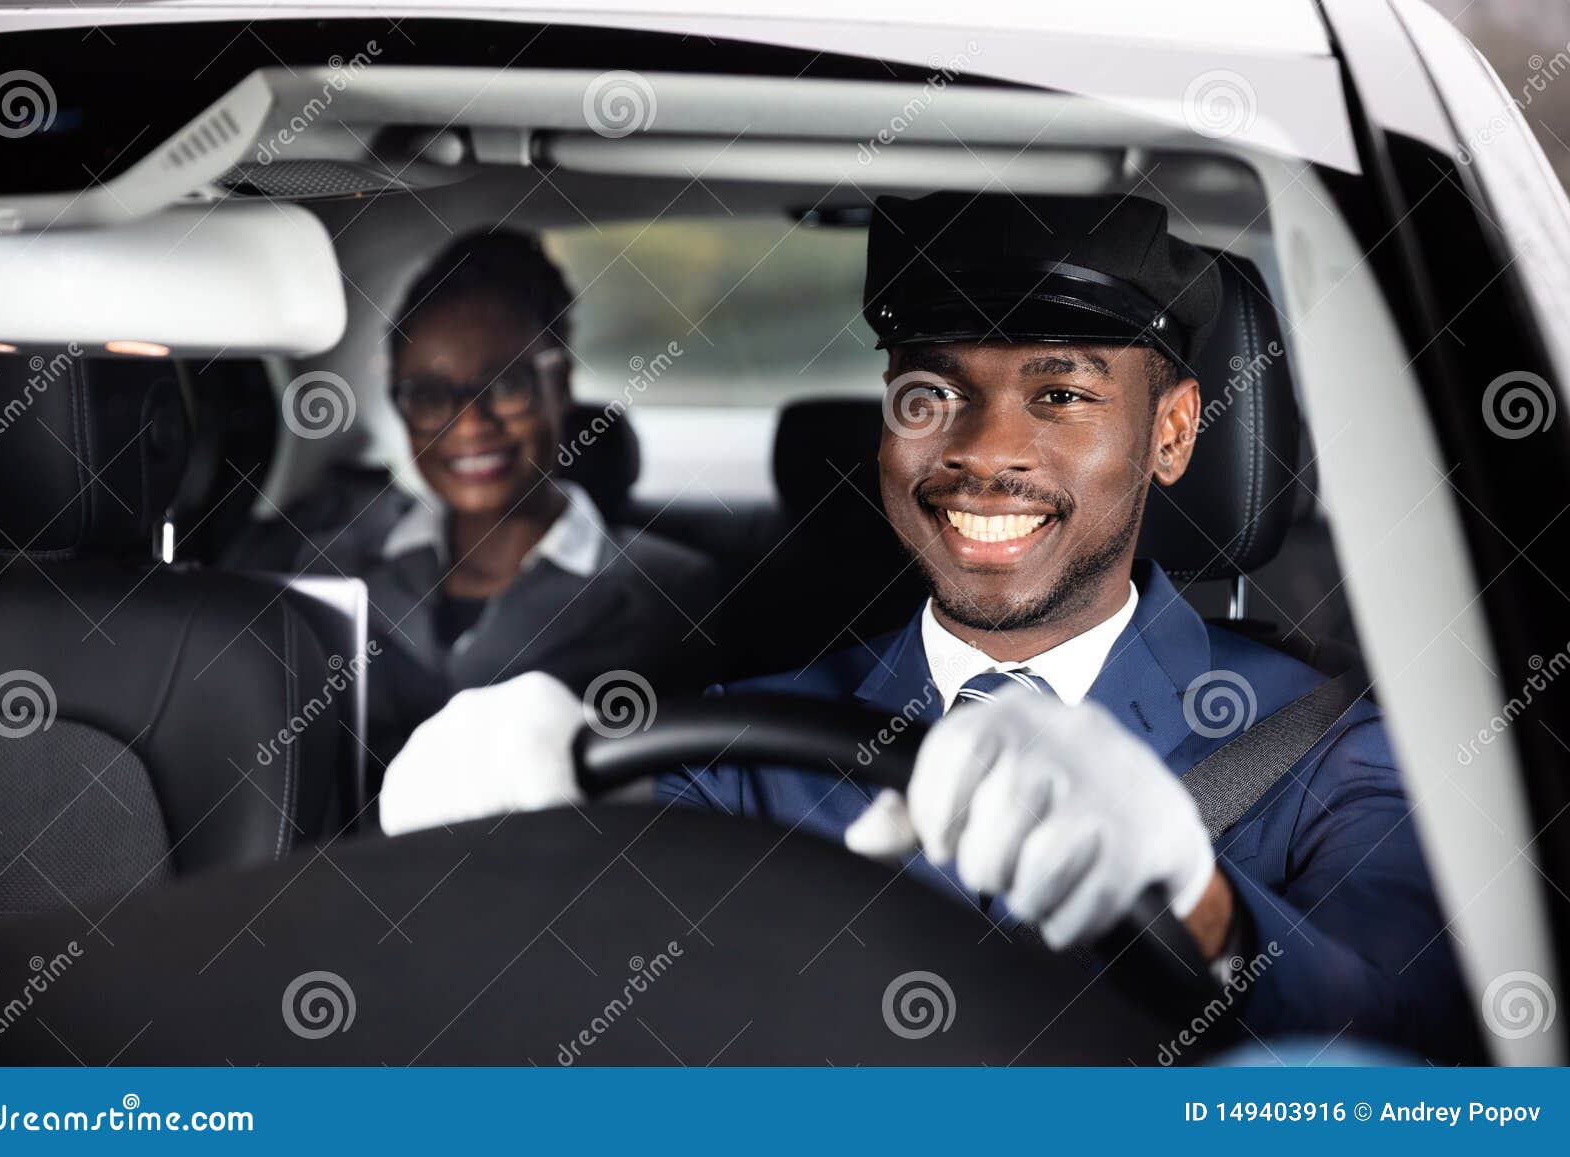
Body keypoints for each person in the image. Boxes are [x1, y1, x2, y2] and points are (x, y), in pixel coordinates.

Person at [377, 194, 1477, 1061]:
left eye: (1060, 395)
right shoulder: (747, 741)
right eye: (929, 393)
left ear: (1173, 432)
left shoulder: (1322, 743)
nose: (982, 452)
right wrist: (508, 849)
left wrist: (1196, 897)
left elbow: (1417, 1029)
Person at [285, 230, 719, 764]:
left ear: (559, 384)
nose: (469, 424)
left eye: (506, 385)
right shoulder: (331, 568)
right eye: (428, 394)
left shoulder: (674, 595)